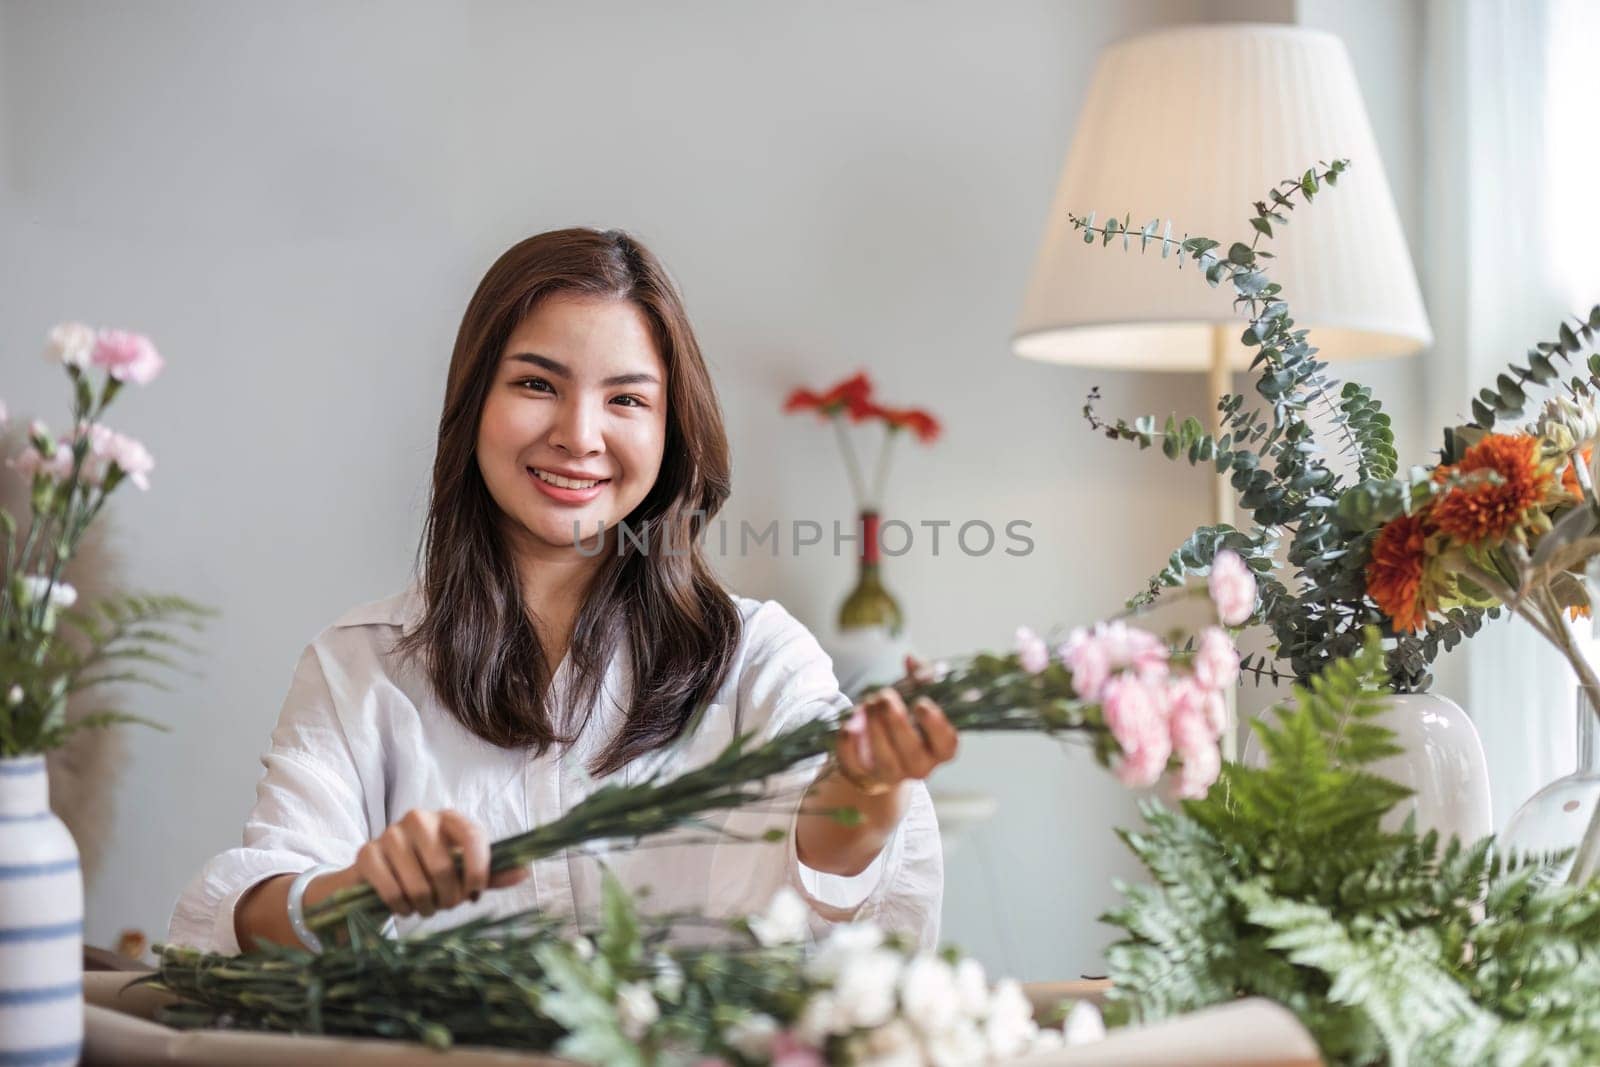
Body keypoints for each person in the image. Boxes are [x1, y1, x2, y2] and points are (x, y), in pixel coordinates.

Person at [168, 228, 956, 957]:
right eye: (538, 383)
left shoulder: (758, 658)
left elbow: (830, 869)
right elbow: (257, 905)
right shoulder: (361, 666)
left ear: (670, 431)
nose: (579, 435)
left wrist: (869, 780)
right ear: (475, 400)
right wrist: (356, 892)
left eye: (626, 399)